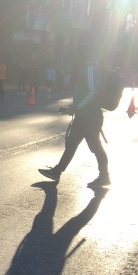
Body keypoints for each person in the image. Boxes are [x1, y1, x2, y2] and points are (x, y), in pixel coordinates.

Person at [38, 54, 111, 188]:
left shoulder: (90, 69)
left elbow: (91, 92)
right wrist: (75, 108)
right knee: (71, 145)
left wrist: (77, 107)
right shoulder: (87, 68)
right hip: (82, 116)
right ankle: (57, 172)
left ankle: (104, 176)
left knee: (96, 147)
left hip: (90, 118)